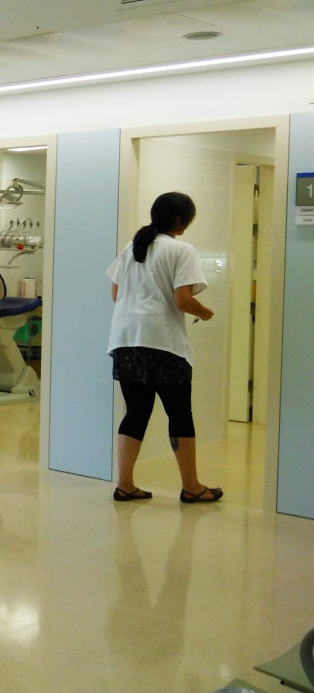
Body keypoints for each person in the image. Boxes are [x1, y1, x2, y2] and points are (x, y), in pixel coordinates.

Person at [106, 191, 222, 504]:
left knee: (136, 412)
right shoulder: (181, 250)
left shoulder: (133, 246)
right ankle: (192, 487)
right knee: (180, 414)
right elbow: (182, 299)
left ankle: (125, 485)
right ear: (180, 220)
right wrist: (205, 312)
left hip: (126, 340)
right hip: (163, 344)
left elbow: (116, 294)